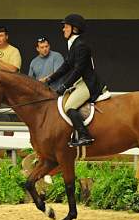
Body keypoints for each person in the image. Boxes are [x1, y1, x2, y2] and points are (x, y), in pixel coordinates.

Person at [43, 14, 105, 147]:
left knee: (69, 106)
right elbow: (66, 66)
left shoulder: (81, 45)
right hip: (80, 82)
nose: (63, 29)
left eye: (66, 27)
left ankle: (85, 136)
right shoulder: (74, 44)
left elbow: (78, 71)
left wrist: (64, 86)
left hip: (88, 83)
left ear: (74, 29)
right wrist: (50, 79)